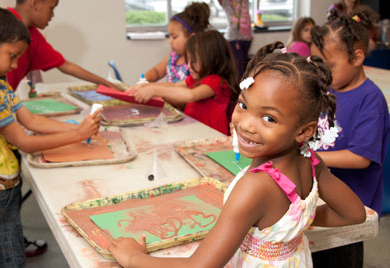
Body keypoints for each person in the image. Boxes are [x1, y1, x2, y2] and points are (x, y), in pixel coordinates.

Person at [109, 41, 366, 268]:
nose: (245, 124)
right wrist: (292, 224)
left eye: (269, 118)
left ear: (304, 131)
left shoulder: (254, 187)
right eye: (243, 105)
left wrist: (133, 258)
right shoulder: (311, 161)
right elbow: (354, 213)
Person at [0, 6, 103, 268]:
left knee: (4, 243)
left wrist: (78, 128)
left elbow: (30, 120)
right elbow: (23, 140)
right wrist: (77, 134)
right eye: (12, 56)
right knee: (7, 253)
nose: (15, 65)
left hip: (4, 185)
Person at [311, 8, 390, 268]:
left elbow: (360, 158)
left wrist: (308, 155)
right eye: (317, 63)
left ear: (357, 58)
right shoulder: (328, 88)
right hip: (321, 195)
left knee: (341, 258)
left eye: (328, 66)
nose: (321, 72)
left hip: (351, 208)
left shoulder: (370, 99)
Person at [6, 0, 120, 91]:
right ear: (35, 4)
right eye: (51, 8)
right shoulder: (0, 26)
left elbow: (65, 66)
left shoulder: (32, 36)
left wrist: (107, 84)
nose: (52, 15)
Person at [129, 30, 239, 135]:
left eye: (194, 61)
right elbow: (173, 86)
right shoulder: (196, 78)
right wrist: (146, 86)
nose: (189, 65)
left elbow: (191, 95)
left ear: (213, 59)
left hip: (211, 136)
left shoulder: (216, 82)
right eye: (188, 60)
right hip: (194, 131)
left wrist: (154, 90)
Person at [212, 0, 266, 81]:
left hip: (247, 38)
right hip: (233, 39)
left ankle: (241, 90)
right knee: (238, 69)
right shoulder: (225, 1)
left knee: (244, 66)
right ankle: (238, 93)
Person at [144, 2, 210, 83]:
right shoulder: (173, 56)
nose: (170, 41)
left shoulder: (196, 62)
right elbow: (157, 72)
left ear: (191, 38)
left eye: (174, 37)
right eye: (169, 36)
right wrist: (143, 81)